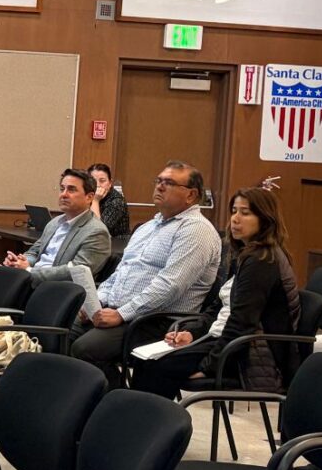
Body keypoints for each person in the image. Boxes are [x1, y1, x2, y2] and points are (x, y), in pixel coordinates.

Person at [131, 187, 300, 399]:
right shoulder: (243, 253)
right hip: (225, 341)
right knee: (145, 359)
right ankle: (142, 423)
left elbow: (242, 322)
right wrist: (193, 333)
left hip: (249, 357)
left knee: (157, 367)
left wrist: (211, 365)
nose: (235, 219)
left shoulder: (262, 260)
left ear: (265, 219)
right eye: (234, 211)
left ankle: (147, 426)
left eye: (245, 213)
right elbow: (220, 308)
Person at [69, 160, 222, 388]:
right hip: (120, 311)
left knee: (86, 349)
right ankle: (83, 408)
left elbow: (170, 285)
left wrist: (121, 313)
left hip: (159, 320)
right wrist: (96, 304)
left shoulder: (196, 230)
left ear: (191, 195)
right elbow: (122, 271)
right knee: (63, 333)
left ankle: (119, 406)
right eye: (158, 181)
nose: (159, 186)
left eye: (168, 183)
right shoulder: (148, 226)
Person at [3, 169, 111, 286]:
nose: (64, 194)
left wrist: (30, 271)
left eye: (71, 189)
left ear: (89, 197)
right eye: (62, 189)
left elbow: (76, 271)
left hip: (57, 290)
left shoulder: (96, 231)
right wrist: (20, 261)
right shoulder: (54, 223)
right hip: (32, 282)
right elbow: (35, 253)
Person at [87, 163, 130, 238]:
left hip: (116, 245)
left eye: (102, 181)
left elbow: (98, 231)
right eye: (93, 181)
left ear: (110, 183)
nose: (98, 185)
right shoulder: (88, 195)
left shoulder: (117, 202)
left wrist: (95, 200)